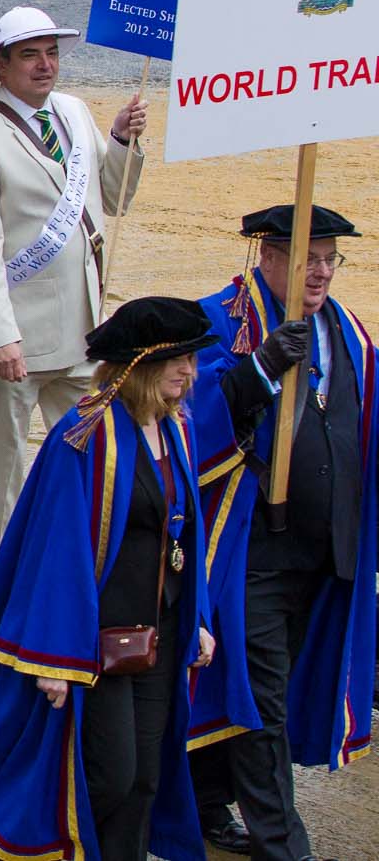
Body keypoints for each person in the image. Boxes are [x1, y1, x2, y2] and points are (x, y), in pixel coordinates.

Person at [0, 297, 218, 861]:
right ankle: (1, 845)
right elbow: (56, 552)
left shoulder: (177, 428)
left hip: (159, 637)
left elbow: (183, 538)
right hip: (95, 644)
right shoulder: (86, 433)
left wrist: (197, 620)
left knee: (146, 778)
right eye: (179, 362)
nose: (190, 373)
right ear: (141, 364)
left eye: (192, 362)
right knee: (109, 775)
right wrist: (54, 658)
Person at [184, 205, 373, 861]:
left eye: (328, 258)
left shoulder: (349, 333)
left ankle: (206, 800)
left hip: (321, 556)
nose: (319, 271)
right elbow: (188, 422)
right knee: (262, 702)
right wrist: (257, 370)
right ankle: (283, 845)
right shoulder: (219, 320)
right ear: (267, 255)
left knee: (268, 687)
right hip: (248, 551)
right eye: (305, 257)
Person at [0, 6, 146, 619]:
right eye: (30, 54)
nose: (45, 64)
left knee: (95, 456)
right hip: (14, 338)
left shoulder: (76, 113)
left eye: (52, 52)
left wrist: (121, 141)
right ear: (0, 64)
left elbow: (111, 199)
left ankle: (80, 578)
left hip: (83, 332)